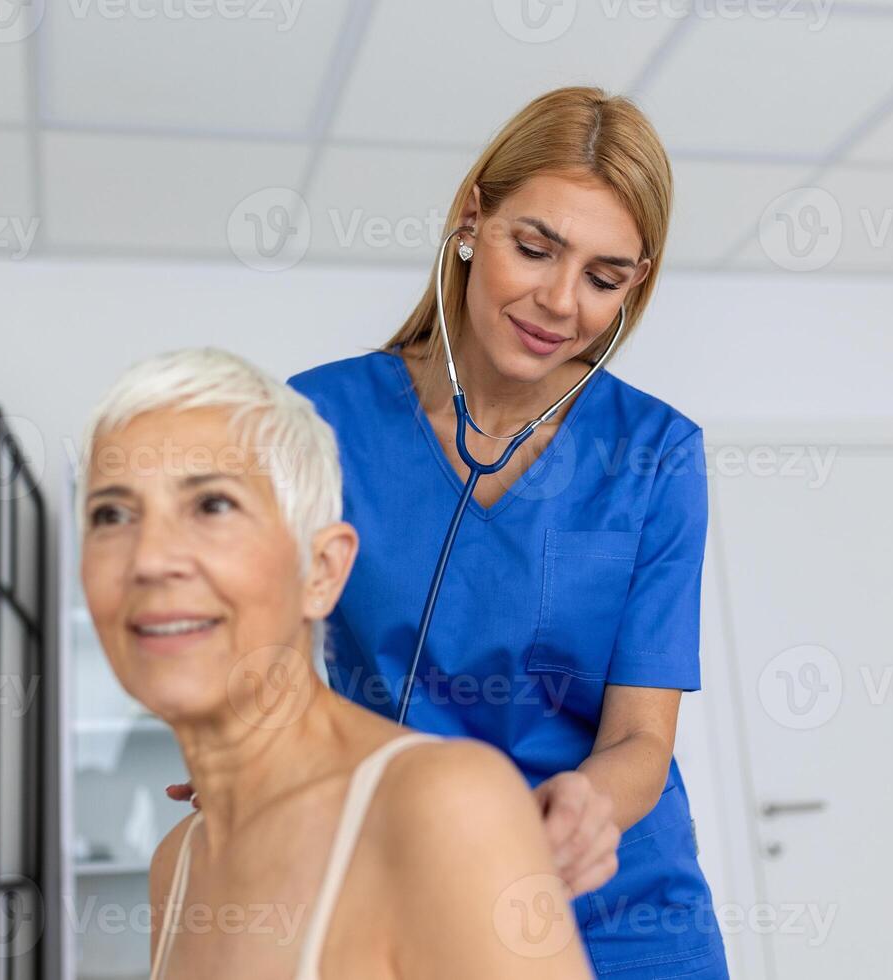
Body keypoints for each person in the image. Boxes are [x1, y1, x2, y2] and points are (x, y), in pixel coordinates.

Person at [279, 86, 728, 978]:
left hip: (618, 900)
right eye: (535, 248)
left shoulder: (657, 455)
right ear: (472, 221)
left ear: (634, 284)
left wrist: (583, 808)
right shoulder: (317, 422)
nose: (561, 302)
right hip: (409, 878)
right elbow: (279, 678)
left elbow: (641, 737)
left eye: (604, 277)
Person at [77, 347, 593, 979]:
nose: (149, 559)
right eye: (112, 514)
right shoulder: (176, 865)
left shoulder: (442, 806)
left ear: (321, 571)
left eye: (212, 505)